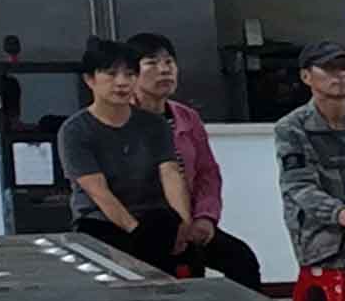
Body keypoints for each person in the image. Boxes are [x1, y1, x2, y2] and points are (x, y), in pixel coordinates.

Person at [59, 35, 263, 285]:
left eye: (129, 75)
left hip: (157, 217)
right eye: (111, 75)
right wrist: (136, 232)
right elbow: (98, 192)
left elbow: (172, 173)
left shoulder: (156, 124)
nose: (121, 82)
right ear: (90, 79)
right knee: (149, 258)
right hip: (103, 222)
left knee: (237, 258)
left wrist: (185, 223)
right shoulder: (76, 130)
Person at [273, 40, 345, 285]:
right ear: (306, 76)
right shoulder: (292, 128)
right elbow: (301, 189)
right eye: (329, 68)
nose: (341, 75)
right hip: (324, 235)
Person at [124, 34, 230, 270]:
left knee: (241, 260)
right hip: (142, 222)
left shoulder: (187, 117)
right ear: (131, 73)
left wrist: (205, 218)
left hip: (189, 219)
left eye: (169, 62)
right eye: (152, 63)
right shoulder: (122, 118)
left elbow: (207, 173)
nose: (164, 70)